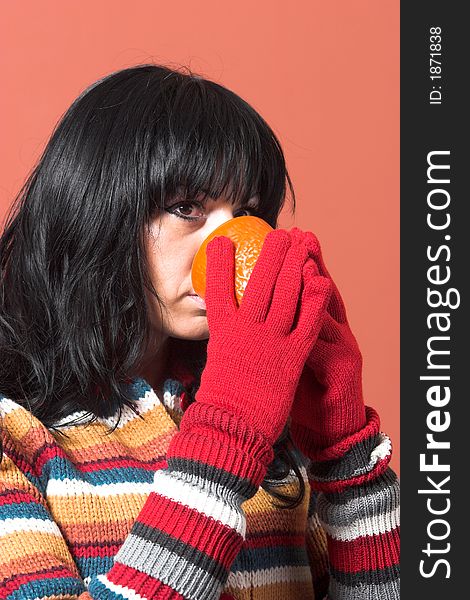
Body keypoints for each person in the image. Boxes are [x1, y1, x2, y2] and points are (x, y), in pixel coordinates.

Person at [0, 64, 400, 599]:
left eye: (248, 212)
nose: (231, 243)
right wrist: (228, 433)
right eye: (187, 207)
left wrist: (346, 457)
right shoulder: (16, 433)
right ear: (96, 211)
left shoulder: (275, 435)